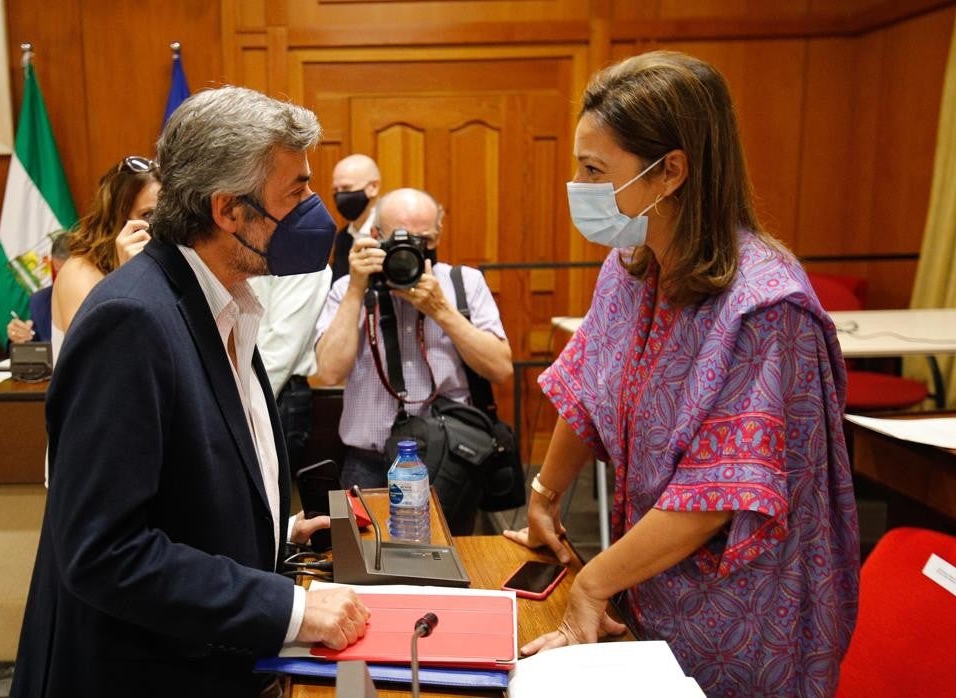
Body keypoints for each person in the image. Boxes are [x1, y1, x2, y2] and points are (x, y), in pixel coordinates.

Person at [502, 51, 858, 696]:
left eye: (594, 170)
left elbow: (717, 492)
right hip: (647, 578)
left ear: (670, 171)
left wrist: (594, 583)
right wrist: (545, 494)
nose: (578, 185)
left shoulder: (765, 308)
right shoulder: (632, 266)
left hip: (746, 613)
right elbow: (588, 385)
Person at [10, 86, 368, 697]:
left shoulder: (225, 303)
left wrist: (268, 532)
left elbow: (179, 483)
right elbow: (103, 550)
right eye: (295, 191)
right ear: (228, 210)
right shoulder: (132, 319)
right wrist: (289, 609)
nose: (312, 210)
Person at [314, 187, 513, 533]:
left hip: (449, 459)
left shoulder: (464, 284)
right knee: (361, 559)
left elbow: (500, 369)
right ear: (376, 235)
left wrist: (441, 311)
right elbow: (329, 372)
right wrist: (357, 289)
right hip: (368, 463)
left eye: (424, 240)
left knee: (450, 558)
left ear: (438, 235)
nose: (411, 250)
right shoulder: (347, 289)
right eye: (399, 239)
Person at [49, 155, 159, 362]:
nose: (159, 225)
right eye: (148, 215)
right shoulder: (79, 273)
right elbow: (99, 362)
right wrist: (128, 279)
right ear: (116, 218)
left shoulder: (159, 264)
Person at [248, 265, 332, 469]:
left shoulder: (305, 260)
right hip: (249, 388)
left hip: (273, 392)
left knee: (265, 485)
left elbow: (282, 349)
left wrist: (241, 408)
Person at [6, 233, 69, 345]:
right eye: (58, 273)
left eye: (69, 274)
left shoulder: (98, 300)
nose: (63, 281)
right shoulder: (40, 301)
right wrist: (19, 336)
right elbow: (34, 345)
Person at [329, 154, 381, 282]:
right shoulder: (342, 238)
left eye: (346, 188)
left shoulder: (389, 233)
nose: (339, 195)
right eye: (335, 190)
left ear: (374, 187)